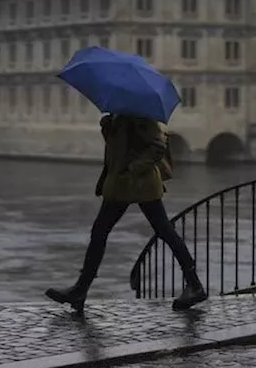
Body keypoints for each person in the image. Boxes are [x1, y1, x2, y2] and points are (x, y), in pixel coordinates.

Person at [46, 113, 207, 313]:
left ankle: (195, 285)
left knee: (159, 231)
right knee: (105, 231)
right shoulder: (121, 116)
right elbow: (120, 149)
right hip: (122, 184)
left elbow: (158, 145)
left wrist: (133, 169)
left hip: (138, 183)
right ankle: (80, 289)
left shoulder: (140, 116)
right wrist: (108, 126)